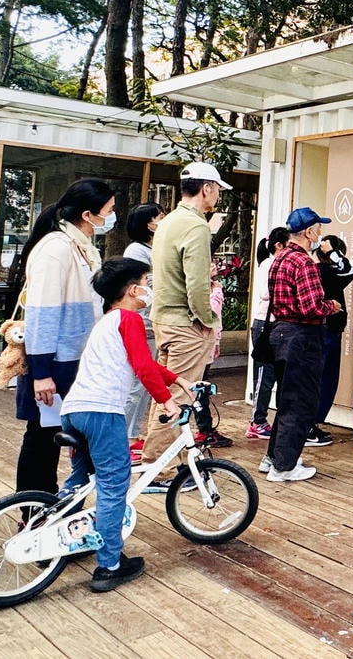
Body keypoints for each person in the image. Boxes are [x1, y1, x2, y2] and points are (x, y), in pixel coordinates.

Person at [58, 258, 195, 592]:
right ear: (134, 290)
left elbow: (144, 364)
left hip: (74, 410)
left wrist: (176, 379)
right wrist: (166, 399)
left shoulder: (107, 322)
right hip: (103, 414)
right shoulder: (130, 319)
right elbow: (141, 365)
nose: (149, 289)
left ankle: (57, 534)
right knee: (113, 484)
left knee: (80, 479)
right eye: (147, 282)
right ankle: (109, 565)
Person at [16, 178, 116, 495]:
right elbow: (42, 314)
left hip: (75, 359)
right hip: (54, 363)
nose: (112, 217)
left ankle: (56, 507)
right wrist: (41, 373)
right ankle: (32, 509)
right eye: (109, 210)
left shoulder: (80, 247)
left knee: (64, 435)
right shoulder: (56, 249)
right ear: (88, 214)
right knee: (43, 437)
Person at [140, 161, 233, 480]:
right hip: (187, 325)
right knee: (181, 396)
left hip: (165, 320)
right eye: (217, 188)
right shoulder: (195, 226)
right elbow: (197, 285)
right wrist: (208, 318)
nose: (218, 195)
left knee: (166, 394)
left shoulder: (168, 222)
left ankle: (162, 460)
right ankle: (161, 469)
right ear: (206, 188)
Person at [260, 207, 341, 482]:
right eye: (318, 228)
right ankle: (284, 466)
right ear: (309, 232)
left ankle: (275, 456)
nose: (320, 233)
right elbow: (311, 307)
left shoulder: (279, 258)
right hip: (303, 337)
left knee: (286, 399)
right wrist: (332, 305)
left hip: (281, 333)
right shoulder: (304, 263)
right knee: (301, 402)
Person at [121, 202, 165, 461]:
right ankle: (123, 437)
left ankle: (133, 435)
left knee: (144, 385)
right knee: (136, 385)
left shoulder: (151, 248)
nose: (163, 220)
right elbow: (142, 288)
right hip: (143, 322)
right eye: (159, 217)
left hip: (152, 322)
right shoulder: (137, 251)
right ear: (147, 223)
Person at [308, 234, 353, 447]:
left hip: (317, 331)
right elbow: (351, 268)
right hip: (326, 331)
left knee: (317, 379)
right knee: (325, 380)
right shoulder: (327, 271)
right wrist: (332, 251)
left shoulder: (315, 270)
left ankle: (309, 424)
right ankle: (310, 425)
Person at [246, 227, 289, 439]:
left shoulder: (270, 263)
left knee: (271, 375)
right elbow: (265, 293)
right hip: (265, 325)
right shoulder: (271, 264)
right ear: (278, 246)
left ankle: (260, 420)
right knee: (264, 376)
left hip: (272, 324)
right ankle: (257, 421)